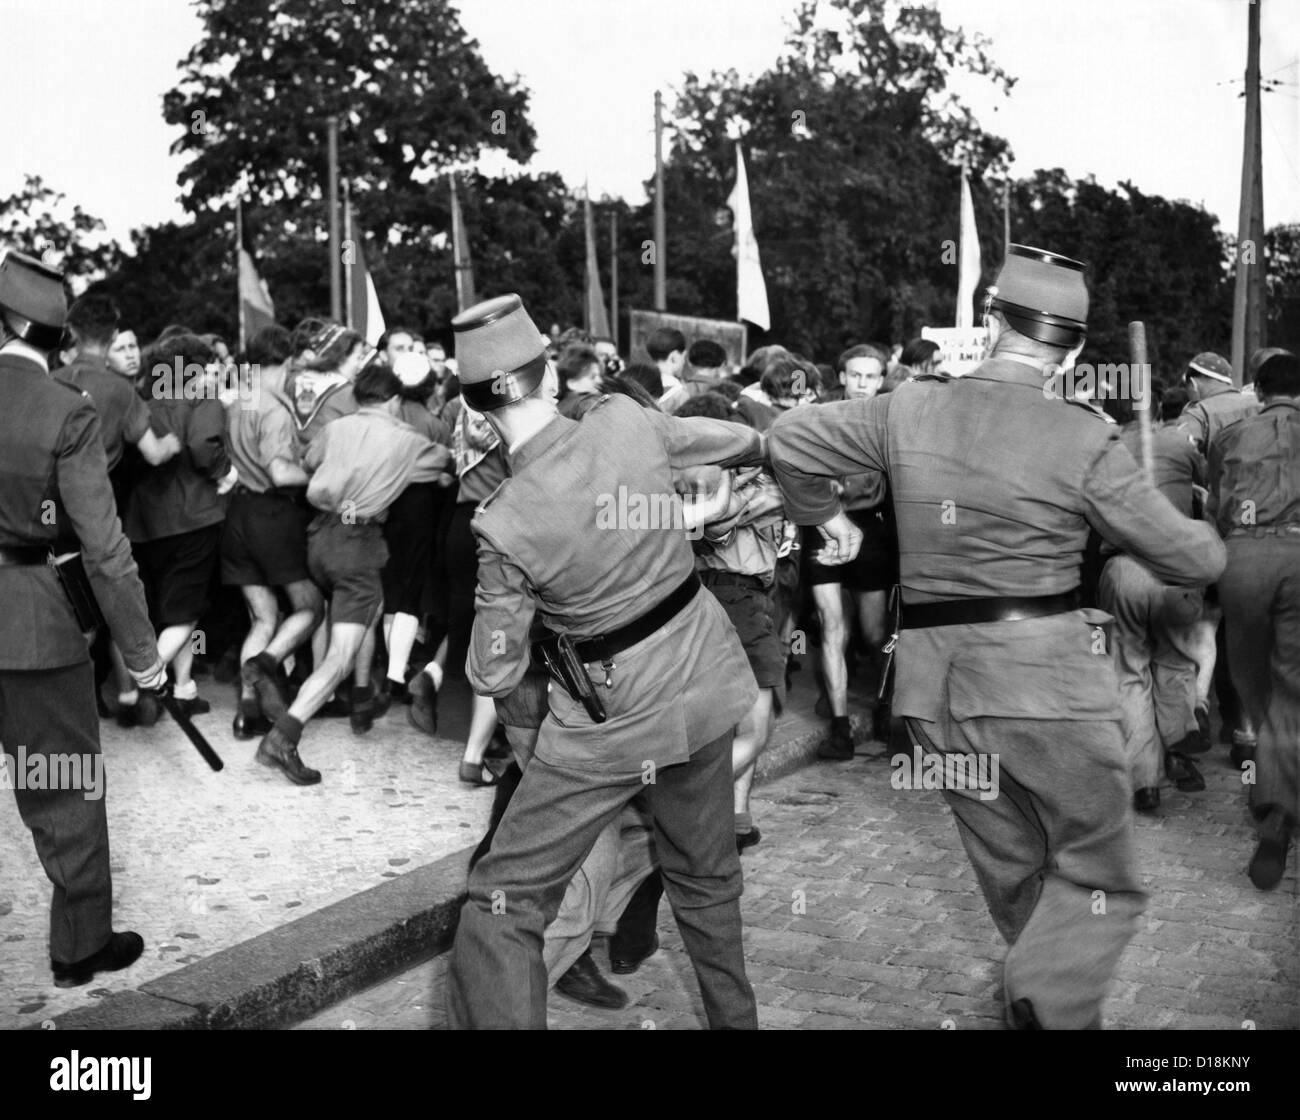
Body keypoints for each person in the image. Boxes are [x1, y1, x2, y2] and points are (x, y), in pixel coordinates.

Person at [767, 244, 1225, 1029]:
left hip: (935, 695)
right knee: (1096, 871)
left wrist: (827, 522)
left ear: (990, 322)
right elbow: (1193, 556)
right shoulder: (1081, 435)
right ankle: (1050, 1003)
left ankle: (1035, 987)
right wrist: (1195, 529)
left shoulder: (909, 406)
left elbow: (788, 442)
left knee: (1012, 864)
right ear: (1074, 347)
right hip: (1046, 687)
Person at [444, 293, 765, 1030]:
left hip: (610, 725)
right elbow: (706, 437)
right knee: (708, 880)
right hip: (706, 683)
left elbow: (493, 672)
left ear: (478, 411)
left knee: (502, 904)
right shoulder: (623, 420)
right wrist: (757, 448)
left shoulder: (503, 520)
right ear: (549, 378)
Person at [0, 248, 165, 986]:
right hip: (31, 626)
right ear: (57, 339)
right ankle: (79, 947)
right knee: (62, 785)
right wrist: (142, 652)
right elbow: (105, 550)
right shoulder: (67, 409)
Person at [255, 362, 451, 785]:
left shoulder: (337, 428)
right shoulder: (405, 438)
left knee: (354, 613)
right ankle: (283, 737)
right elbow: (442, 466)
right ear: (395, 400)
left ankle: (334, 684)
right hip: (357, 545)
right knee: (340, 658)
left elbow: (309, 459)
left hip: (319, 537)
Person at [1208, 349, 1300, 890]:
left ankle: (1273, 793)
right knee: (1292, 684)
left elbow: (1219, 509)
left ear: (1258, 392)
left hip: (1242, 561)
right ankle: (1280, 807)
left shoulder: (1231, 437)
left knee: (1250, 682)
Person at [125, 332, 237, 718]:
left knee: (171, 611)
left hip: (145, 522)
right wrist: (227, 471)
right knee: (187, 610)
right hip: (194, 517)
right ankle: (142, 682)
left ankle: (185, 690)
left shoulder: (143, 403)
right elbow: (204, 449)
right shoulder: (203, 399)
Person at [220, 325, 325, 739]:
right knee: (310, 608)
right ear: (285, 362)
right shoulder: (275, 410)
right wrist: (317, 475)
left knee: (262, 618)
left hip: (238, 513)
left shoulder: (239, 402)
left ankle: (247, 710)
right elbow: (281, 473)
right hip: (272, 516)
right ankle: (266, 665)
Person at [804, 343, 897, 759]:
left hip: (871, 531)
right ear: (842, 376)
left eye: (870, 376)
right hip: (823, 526)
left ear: (881, 379)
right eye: (855, 375)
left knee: (876, 634)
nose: (862, 383)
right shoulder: (819, 417)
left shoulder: (890, 421)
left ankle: (884, 705)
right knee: (831, 626)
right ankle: (840, 729)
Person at [645, 325, 687, 407]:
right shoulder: (679, 394)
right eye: (683, 356)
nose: (684, 362)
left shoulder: (639, 383)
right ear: (673, 357)